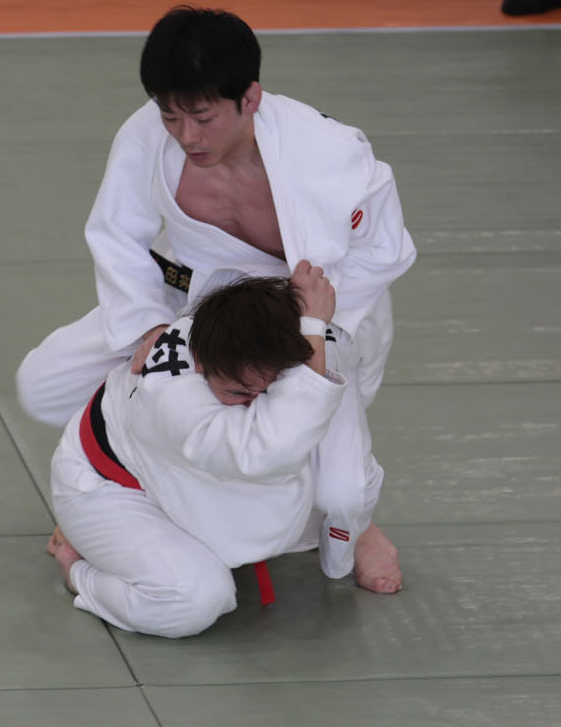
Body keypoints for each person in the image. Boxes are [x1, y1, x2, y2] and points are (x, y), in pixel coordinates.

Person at [17, 6, 416, 593]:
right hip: (192, 301)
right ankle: (134, 485)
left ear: (250, 97)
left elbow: (383, 251)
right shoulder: (146, 135)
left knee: (342, 486)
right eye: (171, 116)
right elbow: (116, 234)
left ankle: (358, 529)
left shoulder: (329, 153)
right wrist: (146, 327)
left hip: (312, 314)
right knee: (44, 384)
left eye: (202, 118)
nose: (187, 137)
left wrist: (308, 325)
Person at [46, 269, 350, 638]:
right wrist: (314, 324)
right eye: (239, 394)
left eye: (269, 390)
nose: (255, 403)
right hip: (106, 489)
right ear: (199, 363)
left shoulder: (229, 334)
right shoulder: (170, 398)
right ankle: (77, 569)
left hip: (169, 474)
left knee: (337, 492)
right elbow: (269, 451)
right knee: (195, 599)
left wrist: (310, 320)